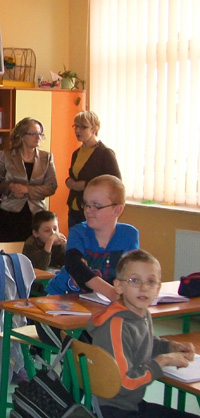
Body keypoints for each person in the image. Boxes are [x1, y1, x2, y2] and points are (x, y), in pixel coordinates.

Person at [88, 249, 198, 418]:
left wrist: (170, 346)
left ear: (158, 288)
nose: (144, 287)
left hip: (132, 404)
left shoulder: (142, 314)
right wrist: (162, 361)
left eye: (151, 281)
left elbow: (143, 344)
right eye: (135, 280)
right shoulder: (116, 325)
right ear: (119, 286)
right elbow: (124, 384)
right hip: (116, 411)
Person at [46, 175, 139, 299]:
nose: (88, 210)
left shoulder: (129, 235)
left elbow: (131, 272)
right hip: (61, 295)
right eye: (86, 204)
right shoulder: (78, 232)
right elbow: (75, 266)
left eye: (97, 206)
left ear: (117, 210)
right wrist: (111, 293)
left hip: (100, 300)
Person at [0, 117, 57, 242]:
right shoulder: (7, 155)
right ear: (21, 135)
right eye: (33, 134)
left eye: (40, 134)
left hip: (37, 214)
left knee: (34, 250)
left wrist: (27, 189)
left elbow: (52, 186)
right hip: (10, 212)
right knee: (9, 249)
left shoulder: (46, 157)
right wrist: (10, 187)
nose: (38, 137)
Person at [65, 111, 121, 230]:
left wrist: (86, 185)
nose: (78, 130)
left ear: (94, 129)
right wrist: (69, 181)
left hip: (95, 211)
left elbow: (116, 183)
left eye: (83, 127)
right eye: (76, 126)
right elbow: (75, 175)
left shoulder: (105, 153)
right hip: (75, 208)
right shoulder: (76, 153)